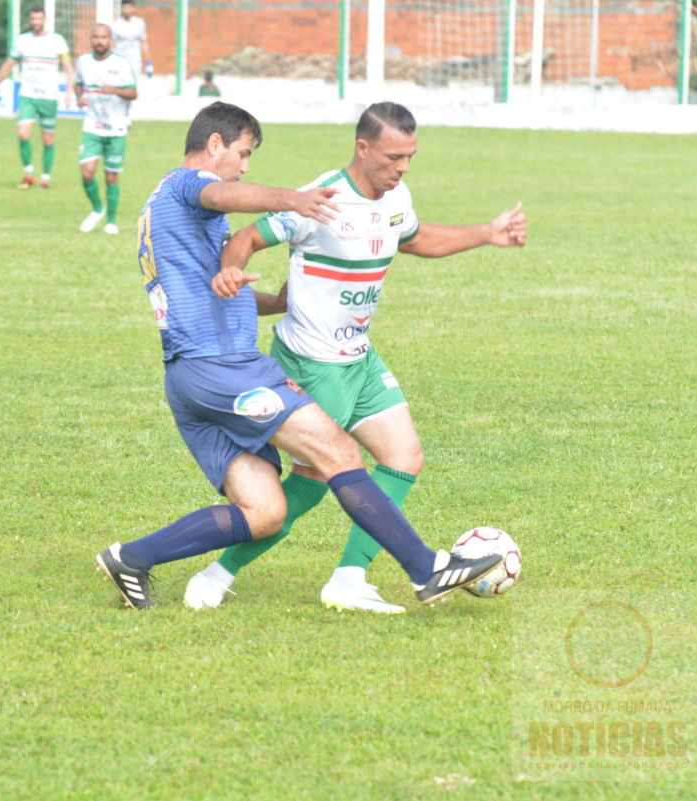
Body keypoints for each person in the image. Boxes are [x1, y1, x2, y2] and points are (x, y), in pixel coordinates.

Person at [95, 101, 503, 610]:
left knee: (265, 510)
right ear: (215, 144)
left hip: (188, 374)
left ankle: (131, 558)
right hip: (225, 370)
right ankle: (427, 570)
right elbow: (223, 192)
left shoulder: (167, 212)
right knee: (337, 452)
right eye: (242, 153)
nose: (244, 166)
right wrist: (295, 199)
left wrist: (276, 302)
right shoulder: (184, 185)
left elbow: (212, 290)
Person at [0, 6, 74, 190]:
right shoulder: (22, 41)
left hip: (49, 96)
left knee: (48, 138)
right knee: (22, 133)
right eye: (33, 19)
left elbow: (67, 66)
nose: (36, 22)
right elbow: (9, 63)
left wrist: (69, 90)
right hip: (28, 95)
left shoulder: (57, 41)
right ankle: (28, 173)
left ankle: (45, 177)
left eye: (39, 18)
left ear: (44, 19)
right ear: (30, 20)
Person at [73, 24, 137, 236]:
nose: (99, 41)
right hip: (92, 125)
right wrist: (79, 97)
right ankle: (97, 209)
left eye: (103, 37)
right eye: (96, 37)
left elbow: (133, 92)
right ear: (91, 39)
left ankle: (111, 220)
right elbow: (78, 84)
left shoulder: (121, 63)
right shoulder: (83, 61)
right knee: (87, 172)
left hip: (117, 128)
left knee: (111, 177)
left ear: (110, 40)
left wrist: (115, 91)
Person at [111, 0, 151, 79]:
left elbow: (144, 42)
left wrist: (148, 62)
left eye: (129, 7)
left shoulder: (140, 23)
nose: (127, 10)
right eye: (125, 7)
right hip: (120, 59)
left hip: (135, 60)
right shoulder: (116, 24)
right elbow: (112, 43)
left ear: (134, 8)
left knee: (134, 83)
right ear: (121, 9)